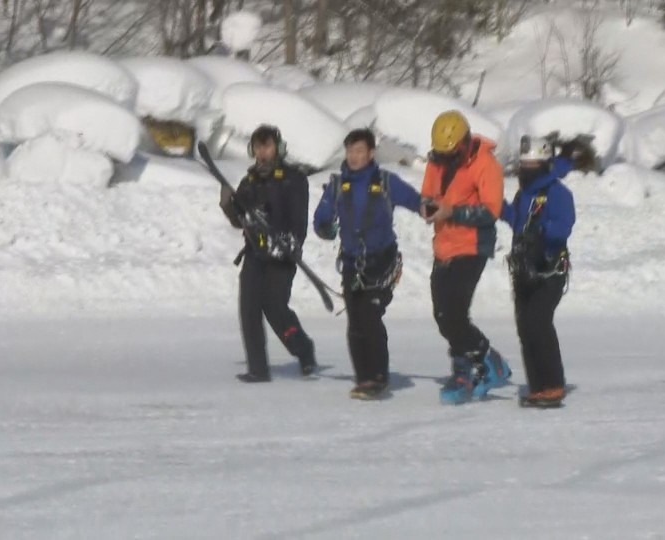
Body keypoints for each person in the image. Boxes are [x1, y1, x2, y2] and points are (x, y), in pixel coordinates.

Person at [313, 128, 421, 400]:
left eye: (360, 151)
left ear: (371, 153)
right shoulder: (338, 185)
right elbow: (321, 217)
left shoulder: (386, 182)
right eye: (350, 151)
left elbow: (419, 202)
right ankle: (364, 378)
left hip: (382, 260)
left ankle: (378, 376)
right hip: (352, 263)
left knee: (370, 317)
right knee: (355, 321)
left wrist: (439, 210)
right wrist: (324, 227)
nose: (354, 156)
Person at [420, 110, 512, 405]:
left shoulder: (485, 164)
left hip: (472, 246)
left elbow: (491, 211)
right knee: (442, 316)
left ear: (464, 141)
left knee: (455, 312)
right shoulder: (436, 162)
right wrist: (428, 207)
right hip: (443, 245)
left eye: (451, 153)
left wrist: (453, 212)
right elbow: (427, 195)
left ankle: (481, 362)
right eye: (441, 153)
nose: (446, 158)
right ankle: (470, 364)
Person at [219, 124, 316, 383]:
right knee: (248, 308)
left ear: (278, 148)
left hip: (283, 254)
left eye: (268, 146)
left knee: (274, 307)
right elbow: (240, 221)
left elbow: (299, 222)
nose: (263, 153)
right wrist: (229, 205)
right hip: (254, 252)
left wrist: (289, 244)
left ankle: (303, 349)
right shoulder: (248, 182)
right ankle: (258, 369)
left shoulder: (294, 179)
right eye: (259, 147)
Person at [501, 135, 576, 408]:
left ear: (544, 163)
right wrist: (500, 209)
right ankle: (537, 385)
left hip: (549, 268)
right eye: (524, 163)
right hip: (524, 267)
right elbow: (517, 222)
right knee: (524, 325)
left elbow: (564, 225)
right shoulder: (525, 194)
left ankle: (553, 384)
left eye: (532, 163)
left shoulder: (557, 193)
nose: (526, 168)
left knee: (538, 321)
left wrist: (541, 233)